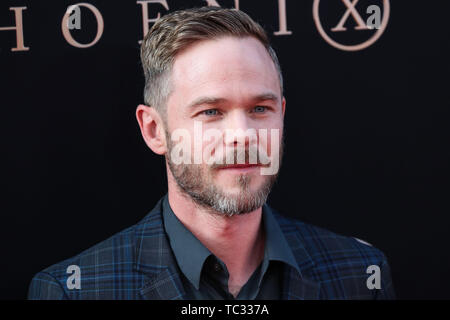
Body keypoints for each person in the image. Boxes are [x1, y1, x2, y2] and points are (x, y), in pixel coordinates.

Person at [28, 7, 395, 300]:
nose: (243, 136)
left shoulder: (359, 274)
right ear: (154, 130)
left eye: (260, 109)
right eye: (211, 112)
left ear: (282, 114)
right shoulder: (74, 291)